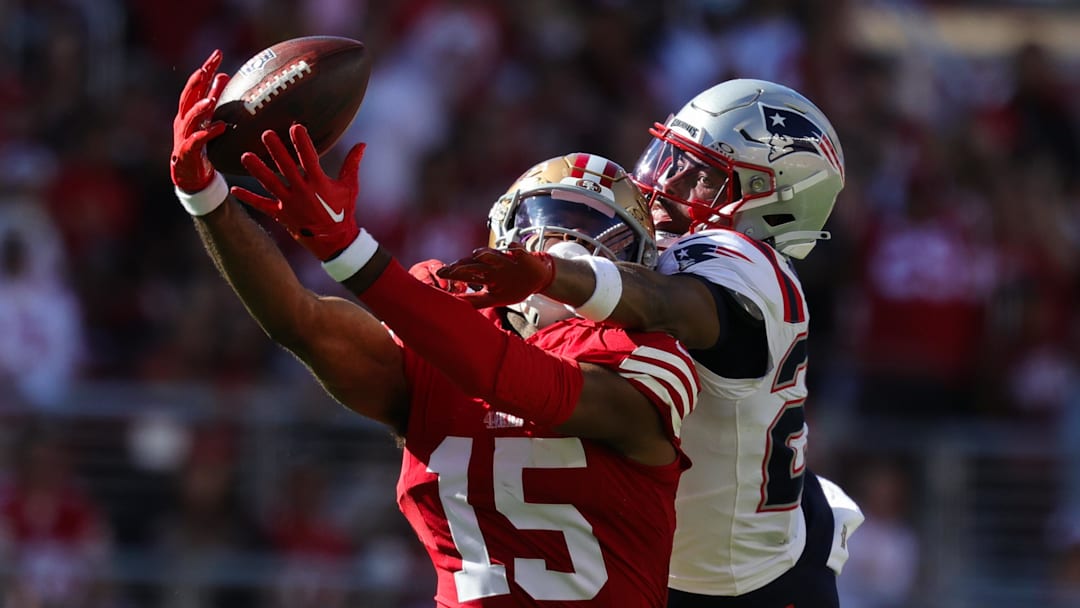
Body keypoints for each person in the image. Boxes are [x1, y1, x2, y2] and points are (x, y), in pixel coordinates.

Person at [169, 50, 700, 607]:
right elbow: (301, 322)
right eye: (543, 223)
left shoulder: (648, 360)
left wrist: (349, 251)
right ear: (500, 232)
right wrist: (204, 195)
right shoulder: (441, 324)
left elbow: (514, 379)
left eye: (602, 235)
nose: (565, 245)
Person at [438, 79, 864, 607]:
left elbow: (665, 301)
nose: (666, 181)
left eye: (701, 174)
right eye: (669, 156)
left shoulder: (746, 264)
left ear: (774, 203)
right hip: (681, 547)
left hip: (734, 581)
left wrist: (552, 273)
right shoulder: (676, 242)